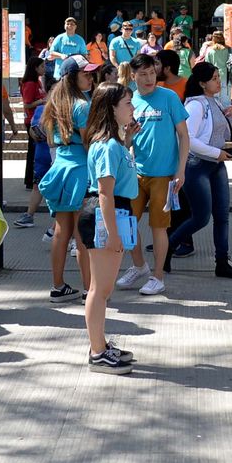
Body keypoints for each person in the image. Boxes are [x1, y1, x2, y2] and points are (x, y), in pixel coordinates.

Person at [114, 54, 189, 296]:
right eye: (143, 74)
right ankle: (139, 266)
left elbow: (184, 135)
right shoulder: (129, 101)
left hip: (164, 175)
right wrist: (128, 137)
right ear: (133, 75)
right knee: (126, 223)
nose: (149, 78)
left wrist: (181, 170)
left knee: (159, 227)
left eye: (152, 73)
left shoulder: (169, 97)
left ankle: (158, 276)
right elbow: (124, 144)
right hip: (135, 174)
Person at [79, 82, 141, 375]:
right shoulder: (106, 145)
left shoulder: (114, 143)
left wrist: (127, 141)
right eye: (127, 103)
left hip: (115, 212)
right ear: (111, 109)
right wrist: (113, 233)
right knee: (99, 290)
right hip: (106, 214)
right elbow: (105, 192)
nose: (132, 108)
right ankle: (98, 352)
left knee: (103, 289)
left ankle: (100, 345)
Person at [165, 63, 232, 279]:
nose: (219, 82)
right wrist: (216, 153)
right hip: (197, 166)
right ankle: (168, 246)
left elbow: (217, 128)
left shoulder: (214, 101)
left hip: (216, 165)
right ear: (202, 83)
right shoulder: (195, 105)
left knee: (222, 216)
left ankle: (222, 262)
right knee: (201, 217)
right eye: (214, 78)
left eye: (218, 77)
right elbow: (188, 139)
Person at [39, 57, 99, 301]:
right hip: (80, 171)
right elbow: (88, 143)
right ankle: (88, 290)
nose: (91, 77)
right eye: (86, 73)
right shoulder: (82, 105)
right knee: (82, 234)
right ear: (72, 77)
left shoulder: (54, 103)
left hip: (60, 168)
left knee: (61, 231)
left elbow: (50, 140)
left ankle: (58, 287)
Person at [15, 102, 52, 229]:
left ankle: (57, 225)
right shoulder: (43, 109)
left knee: (42, 187)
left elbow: (33, 131)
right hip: (46, 154)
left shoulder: (42, 109)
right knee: (38, 186)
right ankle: (29, 215)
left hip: (49, 154)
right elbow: (33, 131)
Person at [20, 59, 47, 191]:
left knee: (35, 151)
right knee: (33, 152)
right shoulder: (30, 84)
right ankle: (30, 180)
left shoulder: (38, 82)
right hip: (32, 122)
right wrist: (42, 101)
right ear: (35, 68)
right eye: (42, 66)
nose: (44, 69)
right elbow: (27, 104)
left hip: (39, 120)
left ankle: (33, 179)